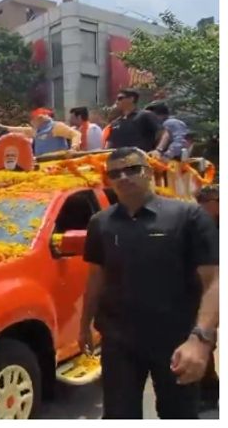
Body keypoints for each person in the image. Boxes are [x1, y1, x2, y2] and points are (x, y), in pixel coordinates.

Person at [80, 147, 219, 419]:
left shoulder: (188, 216)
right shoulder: (100, 223)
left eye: (132, 169)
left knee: (177, 415)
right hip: (119, 342)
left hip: (176, 340)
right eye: (115, 173)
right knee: (119, 416)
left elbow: (214, 281)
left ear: (149, 172)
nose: (123, 177)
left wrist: (201, 339)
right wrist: (84, 325)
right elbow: (96, 277)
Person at [195, 184, 220, 410]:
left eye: (209, 203)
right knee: (206, 339)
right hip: (211, 290)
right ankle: (209, 391)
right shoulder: (200, 226)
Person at [0, 108, 81, 156]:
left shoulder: (56, 126)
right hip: (42, 163)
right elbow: (21, 130)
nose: (31, 121)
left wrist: (73, 148)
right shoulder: (36, 130)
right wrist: (5, 127)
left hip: (57, 162)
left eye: (33, 119)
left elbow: (75, 134)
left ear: (40, 118)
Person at [105, 89, 164, 155]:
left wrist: (158, 150)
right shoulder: (115, 122)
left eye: (120, 98)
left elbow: (164, 133)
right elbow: (110, 143)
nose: (116, 102)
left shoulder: (145, 115)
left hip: (141, 161)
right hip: (118, 162)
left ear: (131, 99)